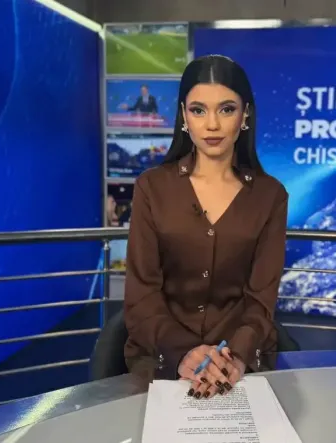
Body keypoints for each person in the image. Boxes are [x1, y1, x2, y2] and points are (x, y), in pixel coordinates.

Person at [123, 55, 288, 400]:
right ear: (184, 116)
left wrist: (236, 356)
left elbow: (261, 300)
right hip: (164, 359)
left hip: (239, 366)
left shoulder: (270, 196)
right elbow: (142, 295)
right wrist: (184, 351)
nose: (212, 124)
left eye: (226, 109)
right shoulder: (151, 188)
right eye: (199, 110)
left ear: (245, 115)